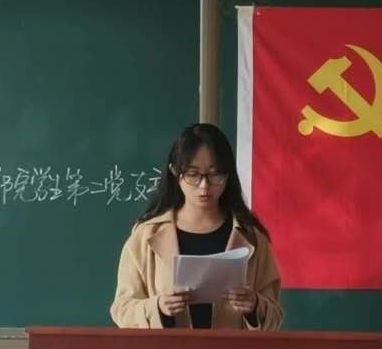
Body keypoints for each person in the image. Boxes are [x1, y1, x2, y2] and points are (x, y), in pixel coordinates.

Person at [110, 123, 283, 330]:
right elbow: (122, 309)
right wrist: (159, 307)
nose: (204, 186)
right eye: (193, 174)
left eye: (215, 174)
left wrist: (254, 306)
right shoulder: (146, 234)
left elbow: (275, 316)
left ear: (228, 174)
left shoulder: (251, 236)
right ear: (175, 172)